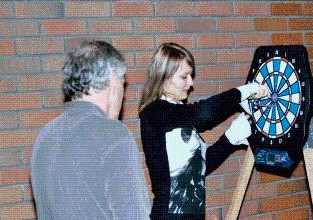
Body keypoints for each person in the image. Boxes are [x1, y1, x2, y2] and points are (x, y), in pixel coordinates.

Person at [138, 43, 269, 219]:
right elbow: (204, 113)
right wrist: (243, 92)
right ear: (164, 77)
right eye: (184, 77)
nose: (191, 83)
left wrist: (229, 140)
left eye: (191, 76)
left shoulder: (177, 114)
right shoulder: (155, 112)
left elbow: (199, 168)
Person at [30, 41, 150, 219]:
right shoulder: (114, 135)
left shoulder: (46, 135)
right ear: (112, 79)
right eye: (123, 84)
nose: (123, 96)